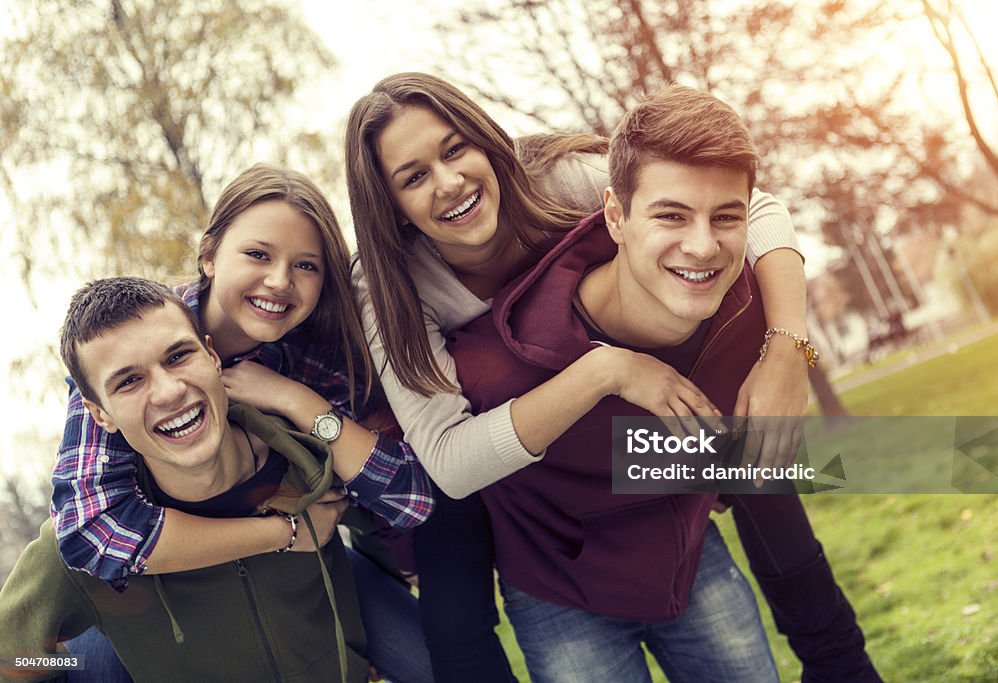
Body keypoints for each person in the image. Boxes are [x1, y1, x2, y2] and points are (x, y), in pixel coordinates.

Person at [345, 72, 877, 683]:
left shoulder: (558, 179)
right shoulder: (389, 288)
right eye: (413, 177)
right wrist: (606, 370)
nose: (449, 182)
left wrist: (786, 347)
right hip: (539, 496)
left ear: (484, 139)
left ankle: (842, 663)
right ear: (390, 204)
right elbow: (449, 458)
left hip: (660, 424)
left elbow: (751, 208)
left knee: (760, 463)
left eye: (455, 148)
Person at [47, 165, 436, 681]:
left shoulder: (312, 360)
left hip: (302, 566)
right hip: (168, 573)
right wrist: (283, 532)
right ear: (209, 255)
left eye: (306, 266)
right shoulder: (133, 341)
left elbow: (408, 497)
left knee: (439, 659)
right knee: (95, 661)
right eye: (258, 254)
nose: (279, 281)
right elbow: (90, 527)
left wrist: (298, 402)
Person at [0, 277, 408, 681]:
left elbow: (388, 533)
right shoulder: (82, 549)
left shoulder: (303, 458)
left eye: (178, 356)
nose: (168, 392)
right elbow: (9, 660)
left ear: (212, 355)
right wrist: (82, 669)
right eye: (129, 381)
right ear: (99, 414)